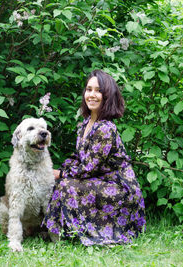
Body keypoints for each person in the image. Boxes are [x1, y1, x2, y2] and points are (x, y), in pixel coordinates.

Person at [42, 69, 146, 246]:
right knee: (61, 183)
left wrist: (60, 173)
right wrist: (51, 169)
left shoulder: (105, 128)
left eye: (98, 90)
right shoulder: (85, 124)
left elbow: (88, 168)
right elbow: (78, 157)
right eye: (88, 89)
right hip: (100, 182)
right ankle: (61, 231)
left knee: (66, 185)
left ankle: (77, 233)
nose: (92, 95)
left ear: (108, 96)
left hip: (120, 189)